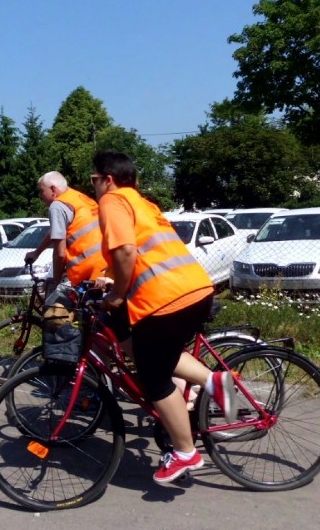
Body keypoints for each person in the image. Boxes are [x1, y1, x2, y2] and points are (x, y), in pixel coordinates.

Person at [90, 151, 237, 485]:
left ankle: (186, 452)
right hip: (197, 288)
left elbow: (127, 251)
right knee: (158, 353)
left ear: (108, 179)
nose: (94, 186)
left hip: (166, 299)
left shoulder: (112, 201)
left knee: (153, 377)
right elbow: (143, 253)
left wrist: (115, 295)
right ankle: (213, 381)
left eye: (94, 180)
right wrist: (111, 277)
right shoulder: (143, 203)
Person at [24, 171, 108, 287]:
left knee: (57, 303)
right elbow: (55, 231)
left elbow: (60, 254)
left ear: (53, 190)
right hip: (107, 267)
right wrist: (37, 252)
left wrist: (56, 282)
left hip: (87, 273)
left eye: (41, 191)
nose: (40, 196)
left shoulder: (57, 206)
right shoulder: (79, 197)